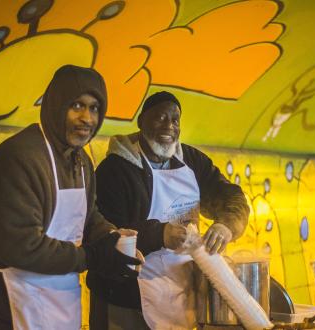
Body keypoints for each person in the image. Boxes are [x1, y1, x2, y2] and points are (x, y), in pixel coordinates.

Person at [0, 65, 140, 330]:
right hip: (2, 300)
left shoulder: (80, 161)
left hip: (55, 294)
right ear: (56, 105)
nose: (87, 118)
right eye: (77, 105)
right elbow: (21, 247)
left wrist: (111, 238)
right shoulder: (20, 158)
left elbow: (87, 217)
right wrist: (92, 257)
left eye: (94, 108)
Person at [87, 91, 250, 329]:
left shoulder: (192, 161)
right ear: (141, 122)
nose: (169, 126)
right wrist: (160, 234)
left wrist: (226, 225)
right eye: (160, 118)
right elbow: (103, 233)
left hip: (182, 293)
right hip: (125, 299)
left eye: (175, 120)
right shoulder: (115, 171)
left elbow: (232, 197)